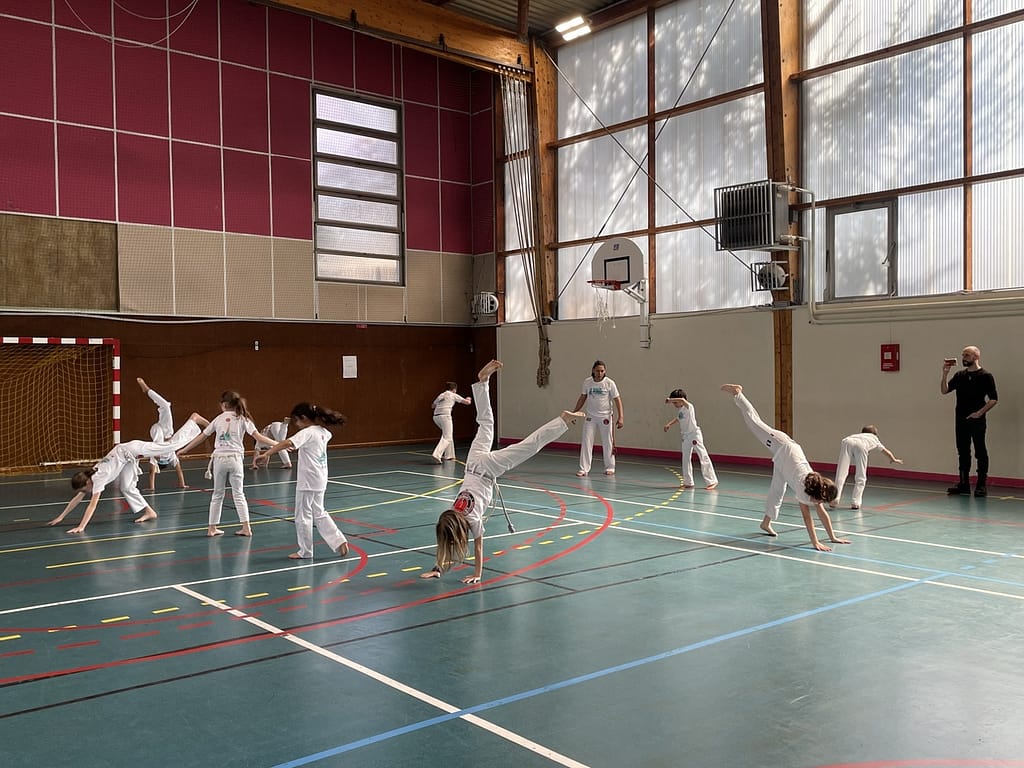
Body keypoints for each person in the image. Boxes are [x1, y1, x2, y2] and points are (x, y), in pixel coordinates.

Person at [421, 360, 584, 584]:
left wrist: (477, 575)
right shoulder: (452, 511)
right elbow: (445, 541)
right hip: (471, 464)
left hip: (487, 470)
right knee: (485, 422)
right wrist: (437, 568)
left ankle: (562, 419)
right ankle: (482, 383)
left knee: (528, 447)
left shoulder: (472, 519)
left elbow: (478, 548)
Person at [720, 384, 848, 552]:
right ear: (821, 495)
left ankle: (765, 523)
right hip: (781, 445)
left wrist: (833, 537)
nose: (822, 504)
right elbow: (807, 518)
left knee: (777, 490)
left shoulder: (814, 490)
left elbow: (821, 513)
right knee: (755, 424)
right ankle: (738, 394)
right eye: (824, 501)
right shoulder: (805, 489)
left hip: (785, 462)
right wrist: (815, 542)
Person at [48, 412, 211, 533]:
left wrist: (81, 527)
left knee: (170, 447)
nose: (84, 492)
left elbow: (92, 505)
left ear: (87, 483)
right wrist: (62, 516)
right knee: (127, 487)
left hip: (133, 449)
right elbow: (78, 498)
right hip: (127, 457)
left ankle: (193, 420)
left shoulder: (98, 478)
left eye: (84, 489)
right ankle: (149, 511)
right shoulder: (90, 477)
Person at [177, 390, 277, 537]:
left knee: (217, 494)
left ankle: (212, 528)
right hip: (236, 460)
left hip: (219, 460)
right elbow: (259, 437)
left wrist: (184, 449)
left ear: (223, 405)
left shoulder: (218, 419)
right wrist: (279, 443)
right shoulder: (243, 419)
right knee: (239, 494)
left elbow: (202, 437)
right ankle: (246, 528)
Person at [256, 403, 349, 560]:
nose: (296, 425)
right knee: (319, 512)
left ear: (303, 418)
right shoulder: (324, 432)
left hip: (308, 480)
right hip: (320, 478)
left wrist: (267, 454)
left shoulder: (307, 432)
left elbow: (287, 442)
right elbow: (307, 445)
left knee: (303, 516)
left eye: (296, 421)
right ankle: (339, 540)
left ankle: (305, 551)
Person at [941, 346, 998, 497]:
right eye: (963, 355)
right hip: (960, 419)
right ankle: (964, 484)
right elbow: (945, 390)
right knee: (963, 452)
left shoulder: (986, 376)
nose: (964, 358)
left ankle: (981, 485)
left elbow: (993, 399)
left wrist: (979, 413)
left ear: (976, 356)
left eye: (967, 355)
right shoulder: (960, 375)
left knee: (980, 451)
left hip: (977, 420)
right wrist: (945, 374)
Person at [571, 360, 623, 477]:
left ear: (605, 371)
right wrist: (574, 412)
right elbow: (582, 397)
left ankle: (610, 467)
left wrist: (621, 417)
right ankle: (584, 469)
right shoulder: (587, 382)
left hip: (605, 417)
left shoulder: (609, 383)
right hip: (591, 417)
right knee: (586, 441)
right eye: (597, 371)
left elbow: (617, 400)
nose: (599, 373)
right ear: (593, 371)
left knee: (607, 442)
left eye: (602, 371)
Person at [832, 426, 903, 510]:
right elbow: (886, 451)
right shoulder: (874, 438)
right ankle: (856, 502)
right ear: (874, 434)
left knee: (841, 472)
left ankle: (834, 499)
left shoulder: (856, 435)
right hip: (862, 445)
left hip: (847, 441)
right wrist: (893, 459)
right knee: (861, 476)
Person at [137, 378, 189, 491]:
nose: (161, 459)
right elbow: (179, 470)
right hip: (167, 430)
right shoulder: (171, 456)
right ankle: (147, 390)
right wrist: (182, 485)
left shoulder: (155, 458)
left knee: (157, 443)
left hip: (156, 431)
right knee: (166, 406)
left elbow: (151, 472)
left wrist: (151, 487)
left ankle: (147, 389)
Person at [663, 389, 718, 490]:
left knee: (703, 456)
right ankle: (688, 482)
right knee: (686, 459)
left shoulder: (689, 407)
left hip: (694, 435)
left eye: (675, 402)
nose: (674, 404)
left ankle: (712, 481)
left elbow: (683, 401)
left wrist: (670, 400)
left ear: (681, 400)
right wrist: (669, 424)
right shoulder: (680, 411)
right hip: (685, 437)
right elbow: (678, 418)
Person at [430, 382, 471, 464]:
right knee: (447, 437)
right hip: (445, 417)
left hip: (436, 417)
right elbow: (467, 402)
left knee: (447, 434)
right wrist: (469, 398)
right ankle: (437, 454)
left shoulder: (441, 394)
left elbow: (432, 406)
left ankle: (449, 455)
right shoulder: (453, 395)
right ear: (454, 389)